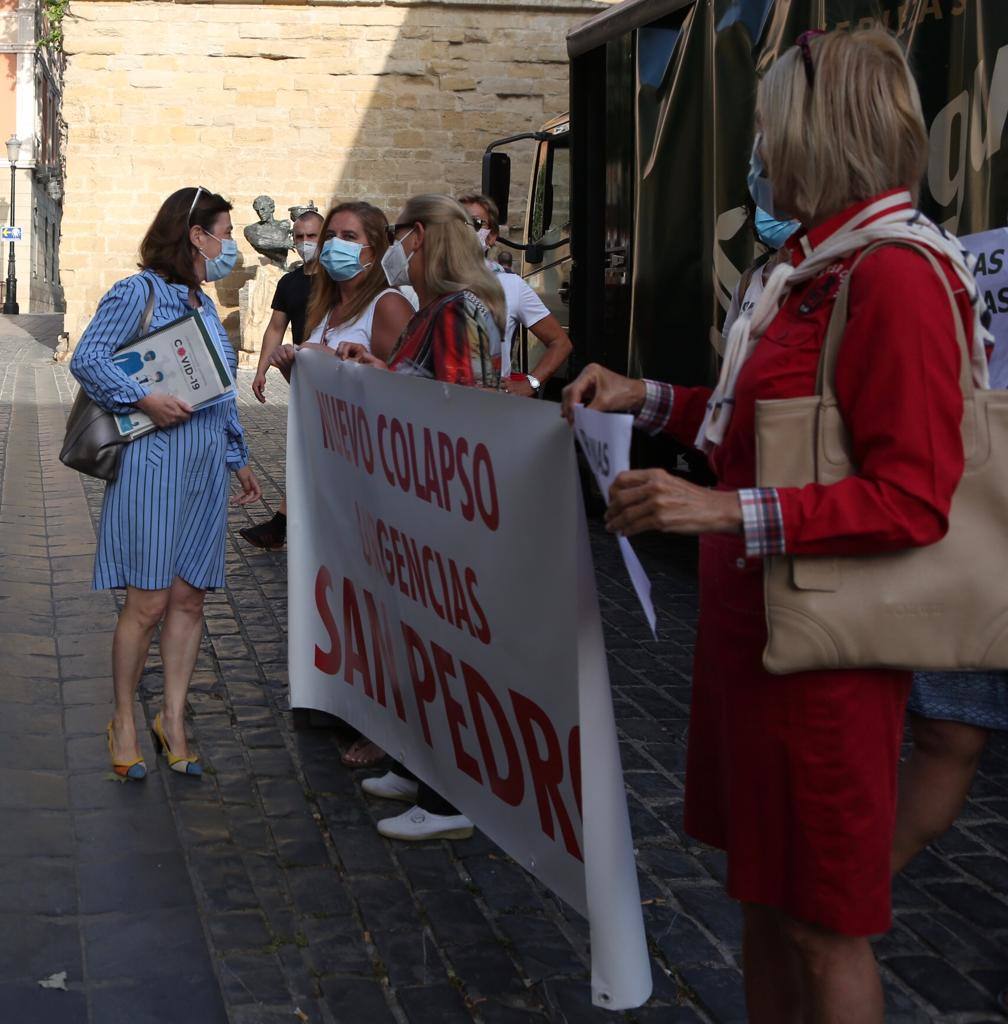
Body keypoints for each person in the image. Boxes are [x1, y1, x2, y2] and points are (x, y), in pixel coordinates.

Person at [561, 28, 991, 1023]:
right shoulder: (812, 266)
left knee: (823, 926)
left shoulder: (893, 276)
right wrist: (652, 400)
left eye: (767, 131)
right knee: (760, 902)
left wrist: (715, 507)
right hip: (756, 643)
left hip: (824, 663)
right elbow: (773, 425)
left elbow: (915, 497)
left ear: (817, 135)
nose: (756, 154)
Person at [71, 186, 261, 781]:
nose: (228, 244)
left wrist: (238, 455)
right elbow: (89, 357)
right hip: (152, 462)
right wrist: (144, 397)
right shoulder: (137, 292)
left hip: (204, 465)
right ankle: (124, 719)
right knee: (147, 601)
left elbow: (219, 391)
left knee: (189, 597)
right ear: (194, 234)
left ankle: (171, 720)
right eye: (223, 232)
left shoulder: (203, 304)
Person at [329, 193, 505, 839]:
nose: (400, 248)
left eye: (403, 234)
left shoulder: (457, 311)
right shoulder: (445, 310)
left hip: (443, 507)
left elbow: (453, 409)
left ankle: (449, 799)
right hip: (424, 505)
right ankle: (418, 762)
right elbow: (425, 384)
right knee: (418, 643)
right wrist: (381, 367)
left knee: (444, 649)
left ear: (425, 238)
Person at [241, 206, 324, 550]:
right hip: (302, 378)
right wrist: (261, 370)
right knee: (305, 451)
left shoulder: (337, 281)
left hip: (334, 375)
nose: (306, 243)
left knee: (316, 453)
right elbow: (277, 327)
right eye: (300, 237)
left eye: (312, 236)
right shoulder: (290, 282)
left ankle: (285, 524)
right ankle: (286, 524)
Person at [457, 193, 572, 396]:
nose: (463, 231)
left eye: (474, 223)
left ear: (491, 236)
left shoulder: (511, 286)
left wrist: (530, 384)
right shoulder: (425, 283)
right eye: (456, 222)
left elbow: (560, 343)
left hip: (490, 410)